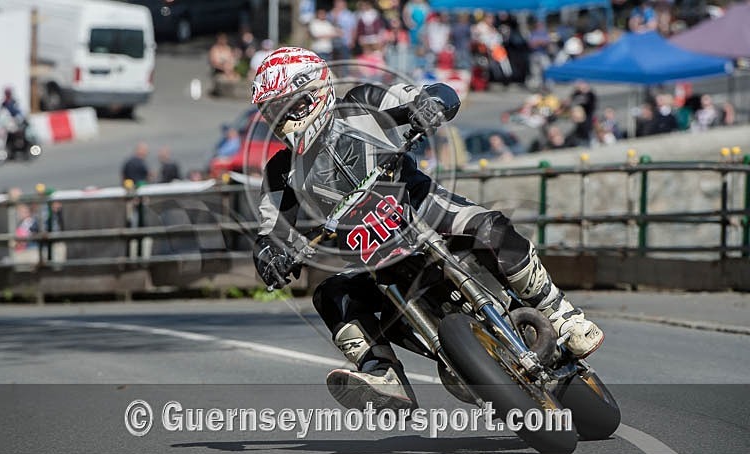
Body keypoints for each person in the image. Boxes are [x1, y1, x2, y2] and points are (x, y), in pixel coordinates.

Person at [250, 47, 604, 410]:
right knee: (331, 294)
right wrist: (270, 255)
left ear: (317, 91)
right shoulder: (281, 170)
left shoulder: (363, 102)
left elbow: (433, 94)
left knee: (491, 228)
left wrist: (430, 104)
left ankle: (561, 314)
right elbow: (270, 230)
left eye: (289, 106)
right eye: (273, 112)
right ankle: (381, 373)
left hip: (422, 207)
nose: (283, 119)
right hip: (367, 253)